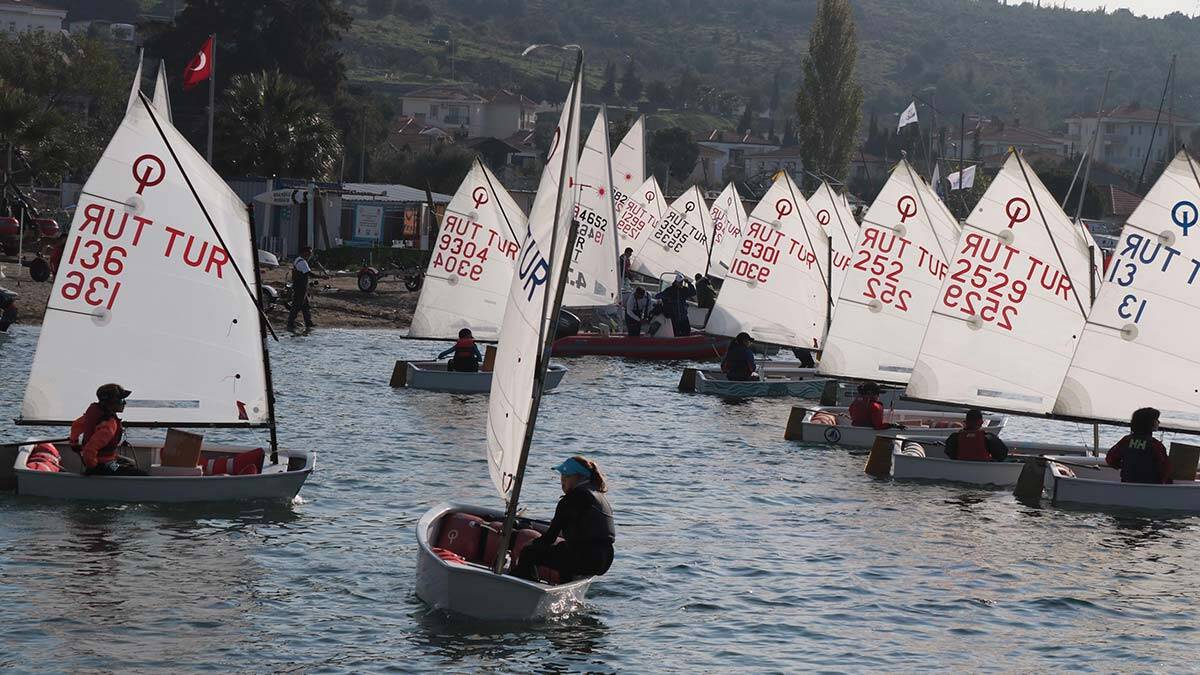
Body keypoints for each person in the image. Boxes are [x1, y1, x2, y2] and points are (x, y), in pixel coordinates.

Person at [513, 456, 615, 583]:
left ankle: (526, 586)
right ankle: (565, 584)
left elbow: (549, 538)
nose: (562, 480)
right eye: (561, 476)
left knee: (529, 552)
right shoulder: (599, 496)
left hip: (586, 557)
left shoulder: (572, 498)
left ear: (580, 477)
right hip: (605, 559)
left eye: (567, 476)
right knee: (563, 549)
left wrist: (530, 544)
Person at [70, 383, 145, 476]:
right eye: (121, 400)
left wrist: (74, 443)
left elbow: (76, 425)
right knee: (141, 474)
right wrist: (92, 466)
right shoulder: (109, 424)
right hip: (105, 465)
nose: (125, 403)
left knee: (130, 462)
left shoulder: (94, 414)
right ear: (112, 402)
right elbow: (89, 449)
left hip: (105, 460)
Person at [1106, 407, 1171, 484]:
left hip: (1126, 486)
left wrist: (1124, 465)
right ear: (1150, 423)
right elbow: (1165, 469)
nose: (1159, 422)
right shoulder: (1156, 445)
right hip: (1150, 487)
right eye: (1156, 419)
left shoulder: (1126, 441)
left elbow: (1110, 459)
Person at [287, 245, 318, 332]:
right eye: (309, 253)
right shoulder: (302, 262)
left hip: (301, 287)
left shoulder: (298, 260)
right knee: (297, 305)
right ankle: (290, 323)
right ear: (304, 252)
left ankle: (308, 322)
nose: (310, 255)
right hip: (300, 288)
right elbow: (308, 273)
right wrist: (321, 277)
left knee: (306, 306)